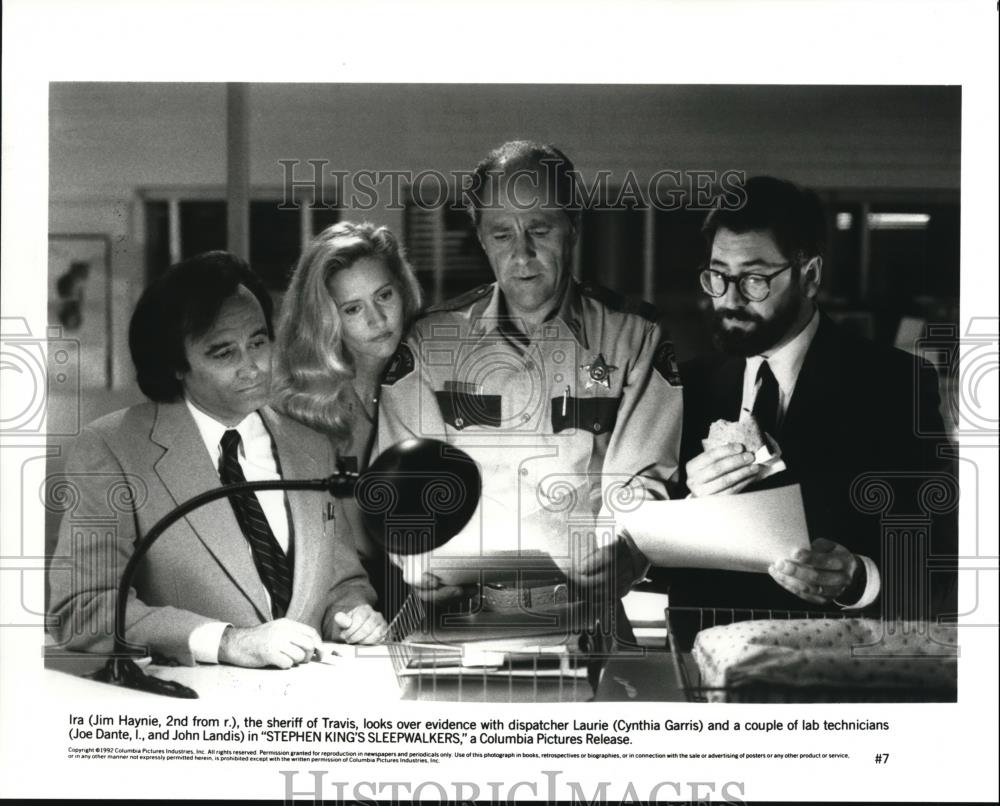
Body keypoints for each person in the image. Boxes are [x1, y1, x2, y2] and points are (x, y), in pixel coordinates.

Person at [376, 140, 684, 616]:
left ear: (574, 226)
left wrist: (624, 549)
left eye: (540, 229)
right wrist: (416, 558)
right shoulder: (428, 344)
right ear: (480, 238)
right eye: (501, 235)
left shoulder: (633, 336)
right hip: (460, 611)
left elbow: (641, 480)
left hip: (587, 607)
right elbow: (400, 489)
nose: (522, 255)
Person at [48, 251, 386, 668]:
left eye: (259, 342)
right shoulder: (111, 448)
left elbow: (340, 583)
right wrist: (229, 642)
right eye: (224, 353)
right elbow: (82, 610)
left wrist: (350, 615)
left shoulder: (311, 446)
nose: (253, 367)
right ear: (176, 364)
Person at [657, 176, 955, 645]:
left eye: (754, 279)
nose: (729, 299)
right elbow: (646, 556)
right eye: (717, 275)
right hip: (699, 661)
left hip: (830, 666)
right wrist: (692, 505)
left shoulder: (895, 384)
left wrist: (859, 579)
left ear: (810, 276)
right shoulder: (683, 386)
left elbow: (942, 562)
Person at [273, 221, 423, 618]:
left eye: (384, 296)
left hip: (433, 584)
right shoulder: (302, 404)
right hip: (342, 598)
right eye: (353, 309)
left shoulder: (430, 378)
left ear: (403, 291)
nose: (377, 320)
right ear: (326, 319)